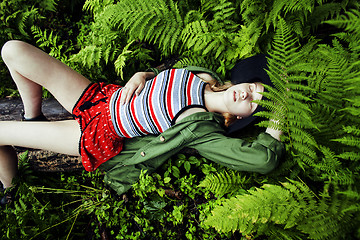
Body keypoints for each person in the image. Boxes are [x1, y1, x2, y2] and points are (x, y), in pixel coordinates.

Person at [0, 40, 284, 205]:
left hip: (96, 134)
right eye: (253, 86)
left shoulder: (202, 129)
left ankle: (9, 188)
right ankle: (32, 117)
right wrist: (141, 75)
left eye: (254, 102)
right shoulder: (202, 76)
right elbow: (158, 81)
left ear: (243, 117)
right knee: (12, 51)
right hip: (102, 98)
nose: (247, 93)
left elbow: (263, 160)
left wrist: (280, 114)